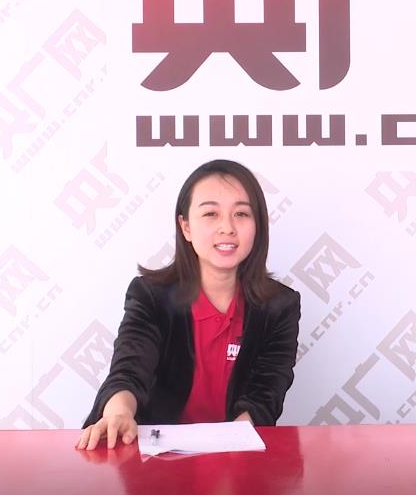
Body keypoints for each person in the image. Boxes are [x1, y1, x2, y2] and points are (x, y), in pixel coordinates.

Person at [76, 159, 301, 449]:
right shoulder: (151, 296)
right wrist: (118, 413)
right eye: (210, 214)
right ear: (186, 227)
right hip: (152, 454)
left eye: (241, 214)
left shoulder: (279, 306)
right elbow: (130, 368)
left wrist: (230, 448)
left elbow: (264, 395)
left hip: (233, 454)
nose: (227, 227)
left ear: (257, 226)